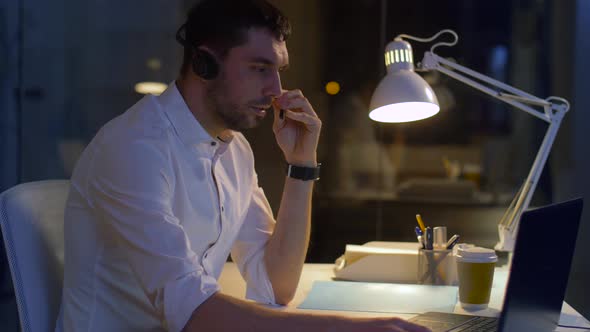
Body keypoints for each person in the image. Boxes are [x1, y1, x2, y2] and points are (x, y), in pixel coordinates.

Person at [56, 1, 430, 331]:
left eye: (278, 70)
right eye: (259, 68)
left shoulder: (234, 150)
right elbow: (194, 313)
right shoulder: (134, 148)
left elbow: (276, 285)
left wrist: (301, 166)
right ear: (204, 63)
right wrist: (347, 329)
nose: (276, 90)